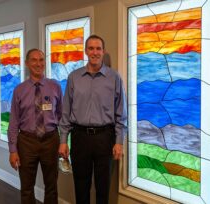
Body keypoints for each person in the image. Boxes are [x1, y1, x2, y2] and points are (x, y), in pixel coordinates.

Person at [58, 35, 127, 204]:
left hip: (105, 138)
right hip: (79, 137)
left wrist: (119, 141)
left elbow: (121, 113)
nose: (94, 52)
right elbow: (66, 110)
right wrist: (63, 140)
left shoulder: (114, 78)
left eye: (98, 48)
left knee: (103, 188)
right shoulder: (74, 77)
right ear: (86, 51)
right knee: (81, 186)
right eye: (91, 48)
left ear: (103, 52)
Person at [8, 48, 63, 204]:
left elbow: (61, 115)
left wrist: (64, 141)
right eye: (34, 60)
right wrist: (13, 150)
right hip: (26, 142)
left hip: (51, 140)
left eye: (41, 60)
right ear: (27, 63)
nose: (38, 64)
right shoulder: (19, 90)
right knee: (26, 187)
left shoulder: (55, 87)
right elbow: (13, 122)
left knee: (51, 186)